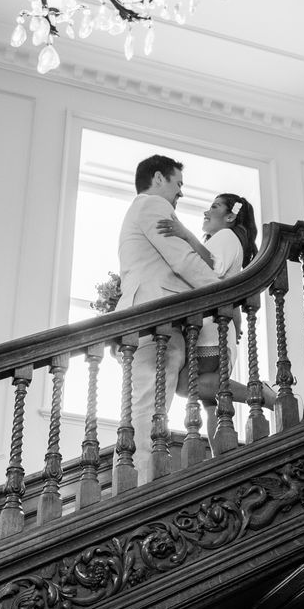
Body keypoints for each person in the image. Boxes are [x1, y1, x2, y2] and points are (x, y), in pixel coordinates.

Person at [115, 155, 220, 488]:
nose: (180, 193)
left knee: (148, 404)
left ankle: (136, 480)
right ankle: (138, 486)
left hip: (153, 322)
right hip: (153, 321)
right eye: (178, 183)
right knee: (148, 406)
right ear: (159, 178)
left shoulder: (140, 209)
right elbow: (183, 260)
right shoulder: (152, 205)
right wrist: (223, 295)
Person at [156, 193, 276, 426]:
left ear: (230, 216)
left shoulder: (227, 236)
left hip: (210, 331)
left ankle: (261, 393)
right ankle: (220, 446)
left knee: (186, 385)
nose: (206, 211)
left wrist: (186, 234)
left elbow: (214, 267)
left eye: (214, 206)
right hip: (211, 330)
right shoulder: (223, 239)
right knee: (211, 404)